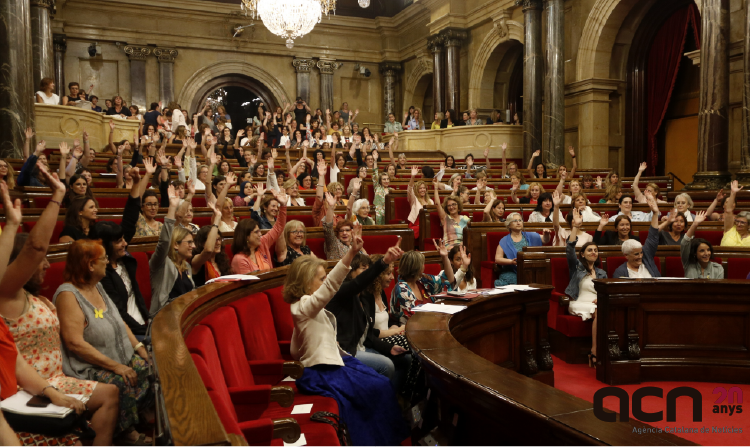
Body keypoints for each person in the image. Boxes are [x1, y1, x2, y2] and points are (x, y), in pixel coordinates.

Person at [285, 233, 409, 447]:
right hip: (323, 371)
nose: (326, 282)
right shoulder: (305, 306)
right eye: (321, 279)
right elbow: (333, 285)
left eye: (325, 278)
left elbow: (295, 350)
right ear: (306, 282)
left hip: (333, 363)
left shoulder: (303, 307)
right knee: (378, 386)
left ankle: (381, 438)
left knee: (379, 383)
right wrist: (351, 253)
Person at [54, 239, 153, 446]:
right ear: (90, 265)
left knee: (148, 367)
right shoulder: (68, 294)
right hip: (88, 368)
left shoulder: (97, 285)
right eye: (104, 259)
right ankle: (126, 432)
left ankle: (137, 418)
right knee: (121, 381)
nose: (108, 262)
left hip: (120, 358)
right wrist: (116, 366)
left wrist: (138, 347)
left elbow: (119, 321)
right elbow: (74, 343)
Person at [325, 240, 410, 390]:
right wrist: (384, 261)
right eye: (363, 269)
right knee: (387, 365)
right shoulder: (342, 291)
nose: (368, 274)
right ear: (351, 272)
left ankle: (395, 400)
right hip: (346, 351)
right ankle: (381, 401)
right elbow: (357, 283)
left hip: (363, 347)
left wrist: (388, 348)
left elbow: (368, 334)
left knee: (407, 359)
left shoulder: (363, 296)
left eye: (368, 269)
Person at [564, 211, 606, 368]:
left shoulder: (602, 273)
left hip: (597, 304)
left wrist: (601, 298)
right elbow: (569, 249)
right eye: (590, 250)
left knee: (601, 309)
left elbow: (606, 291)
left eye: (596, 250)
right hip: (580, 302)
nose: (594, 252)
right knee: (599, 310)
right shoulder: (576, 268)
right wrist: (575, 226)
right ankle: (595, 352)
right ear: (582, 254)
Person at [95, 221, 149, 338]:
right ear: (105, 246)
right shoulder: (103, 275)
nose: (125, 243)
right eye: (119, 241)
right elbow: (118, 312)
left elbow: (130, 223)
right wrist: (146, 332)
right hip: (128, 331)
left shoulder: (124, 261)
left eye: (123, 238)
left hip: (144, 323)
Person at [148, 185, 195, 315]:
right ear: (175, 245)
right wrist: (173, 207)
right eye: (189, 242)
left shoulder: (186, 266)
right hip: (164, 318)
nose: (194, 246)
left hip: (184, 315)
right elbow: (163, 242)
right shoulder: (161, 263)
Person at [390, 244, 454, 325]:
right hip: (411, 330)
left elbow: (449, 280)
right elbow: (413, 320)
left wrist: (445, 257)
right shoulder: (402, 290)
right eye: (422, 264)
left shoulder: (422, 280)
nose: (424, 267)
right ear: (415, 268)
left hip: (429, 324)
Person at [231, 189, 288, 274]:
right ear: (246, 236)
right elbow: (250, 286)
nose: (260, 234)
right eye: (256, 232)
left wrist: (283, 205)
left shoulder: (262, 243)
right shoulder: (239, 259)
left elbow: (278, 227)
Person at [612, 192, 661, 278]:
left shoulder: (646, 258)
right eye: (636, 254)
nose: (640, 256)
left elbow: (653, 237)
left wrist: (655, 214)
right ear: (626, 255)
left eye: (641, 252)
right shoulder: (620, 272)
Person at [494, 213, 549, 286]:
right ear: (509, 225)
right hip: (511, 271)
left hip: (530, 270)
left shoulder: (531, 236)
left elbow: (545, 240)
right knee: (515, 280)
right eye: (515, 220)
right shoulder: (504, 241)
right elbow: (497, 259)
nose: (518, 222)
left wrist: (546, 235)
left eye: (520, 220)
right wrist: (511, 262)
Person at [191, 209, 230, 287]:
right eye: (214, 240)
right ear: (202, 243)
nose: (218, 243)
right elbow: (208, 250)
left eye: (219, 239)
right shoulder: (197, 261)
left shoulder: (221, 260)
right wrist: (217, 220)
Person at [323, 193, 367, 260]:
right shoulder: (334, 244)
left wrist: (360, 247)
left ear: (351, 232)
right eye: (341, 231)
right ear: (337, 233)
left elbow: (366, 259)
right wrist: (331, 207)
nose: (344, 233)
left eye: (347, 230)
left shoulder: (354, 244)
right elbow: (328, 227)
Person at [681, 211, 724, 279]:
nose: (706, 253)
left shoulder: (718, 268)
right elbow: (684, 242)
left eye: (708, 250)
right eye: (702, 251)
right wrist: (695, 224)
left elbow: (718, 289)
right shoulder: (688, 264)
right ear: (695, 253)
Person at [433, 179, 470, 247]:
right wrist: (435, 187)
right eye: (449, 205)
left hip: (464, 246)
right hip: (450, 247)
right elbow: (437, 204)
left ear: (458, 205)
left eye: (454, 204)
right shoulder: (445, 218)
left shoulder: (465, 218)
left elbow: (472, 233)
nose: (451, 207)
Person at [407, 166, 434, 239]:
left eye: (424, 188)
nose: (422, 190)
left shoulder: (431, 201)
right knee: (423, 229)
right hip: (416, 225)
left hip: (428, 224)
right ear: (417, 190)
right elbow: (409, 190)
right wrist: (413, 176)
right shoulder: (414, 199)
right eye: (420, 188)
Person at [721, 180, 750, 246]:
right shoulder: (730, 229)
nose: (739, 224)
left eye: (742, 222)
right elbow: (728, 211)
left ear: (749, 225)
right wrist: (733, 193)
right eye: (737, 221)